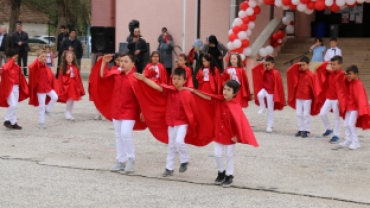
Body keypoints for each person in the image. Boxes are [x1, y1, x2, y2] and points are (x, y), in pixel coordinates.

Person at [184, 80, 258, 188]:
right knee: (217, 154)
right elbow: (206, 96)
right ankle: (221, 172)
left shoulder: (235, 106)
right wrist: (192, 91)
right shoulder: (219, 100)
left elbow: (240, 121)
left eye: (229, 90)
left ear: (234, 93)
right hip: (219, 134)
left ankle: (229, 175)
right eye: (224, 89)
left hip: (230, 136)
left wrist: (237, 135)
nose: (225, 91)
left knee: (229, 155)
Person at [134, 68, 201, 177]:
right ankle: (169, 167)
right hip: (171, 123)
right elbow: (156, 86)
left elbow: (194, 109)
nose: (176, 81)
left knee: (179, 141)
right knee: (171, 146)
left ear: (185, 80)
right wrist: (144, 79)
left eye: (179, 79)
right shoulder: (169, 90)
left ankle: (184, 160)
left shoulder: (188, 93)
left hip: (183, 123)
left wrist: (195, 122)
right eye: (174, 78)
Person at [89, 53, 146, 174]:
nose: (122, 63)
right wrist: (104, 62)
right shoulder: (117, 74)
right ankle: (120, 161)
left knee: (125, 133)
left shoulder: (136, 78)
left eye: (126, 61)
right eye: (121, 61)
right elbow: (102, 76)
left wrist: (142, 110)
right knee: (119, 135)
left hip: (130, 110)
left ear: (133, 64)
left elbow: (141, 96)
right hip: (116, 109)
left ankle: (131, 159)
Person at [337, 65, 370, 150]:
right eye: (347, 74)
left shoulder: (358, 84)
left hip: (355, 108)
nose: (348, 76)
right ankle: (348, 139)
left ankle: (356, 142)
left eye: (350, 74)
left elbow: (361, 98)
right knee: (346, 124)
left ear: (356, 74)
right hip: (348, 107)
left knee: (351, 124)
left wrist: (361, 109)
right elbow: (340, 81)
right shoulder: (349, 82)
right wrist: (343, 74)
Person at [314, 56, 344, 143]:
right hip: (329, 97)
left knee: (336, 117)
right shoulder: (329, 72)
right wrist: (326, 62)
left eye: (334, 64)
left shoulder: (342, 75)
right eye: (332, 64)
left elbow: (343, 89)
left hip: (336, 99)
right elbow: (318, 70)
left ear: (340, 65)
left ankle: (336, 135)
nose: (332, 66)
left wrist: (340, 100)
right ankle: (329, 128)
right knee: (322, 113)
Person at [287, 56, 319, 138]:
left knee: (305, 114)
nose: (302, 67)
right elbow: (289, 72)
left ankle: (307, 130)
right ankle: (301, 129)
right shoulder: (298, 73)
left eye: (304, 65)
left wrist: (316, 97)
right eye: (301, 65)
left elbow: (315, 87)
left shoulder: (311, 75)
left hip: (307, 97)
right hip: (298, 96)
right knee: (298, 114)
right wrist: (296, 65)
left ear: (308, 65)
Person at [252, 56, 286, 133]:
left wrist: (276, 93)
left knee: (270, 109)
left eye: (268, 64)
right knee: (259, 95)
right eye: (266, 64)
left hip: (271, 92)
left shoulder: (276, 73)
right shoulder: (264, 70)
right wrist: (262, 63)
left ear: (273, 64)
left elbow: (278, 85)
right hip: (265, 89)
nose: (267, 66)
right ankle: (262, 107)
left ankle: (269, 125)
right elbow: (255, 70)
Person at [28, 50, 59, 128]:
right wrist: (37, 60)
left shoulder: (47, 67)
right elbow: (30, 67)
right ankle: (41, 122)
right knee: (41, 106)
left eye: (46, 56)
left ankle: (47, 109)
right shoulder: (36, 66)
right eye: (42, 56)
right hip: (40, 89)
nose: (45, 58)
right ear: (38, 57)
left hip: (47, 88)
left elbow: (52, 78)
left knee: (55, 97)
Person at [0, 48, 29, 130]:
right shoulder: (6, 66)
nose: (16, 59)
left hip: (16, 87)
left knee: (14, 106)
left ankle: (13, 122)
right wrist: (11, 61)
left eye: (17, 57)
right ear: (9, 57)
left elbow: (21, 78)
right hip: (9, 88)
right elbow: (5, 70)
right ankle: (7, 120)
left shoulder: (17, 66)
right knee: (13, 104)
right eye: (15, 57)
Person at [57, 51, 85, 120]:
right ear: (65, 58)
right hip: (68, 85)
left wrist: (79, 87)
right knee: (69, 99)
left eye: (71, 57)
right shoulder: (63, 67)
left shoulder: (74, 67)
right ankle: (67, 112)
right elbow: (61, 77)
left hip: (74, 85)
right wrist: (67, 73)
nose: (70, 58)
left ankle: (70, 112)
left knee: (73, 99)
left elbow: (78, 78)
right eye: (68, 57)